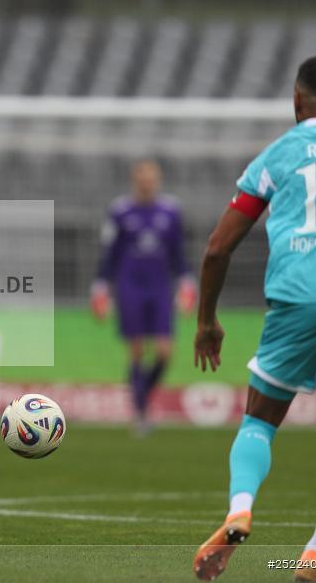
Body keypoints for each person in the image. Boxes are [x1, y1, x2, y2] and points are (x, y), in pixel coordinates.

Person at [192, 54, 316, 582]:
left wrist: (207, 320)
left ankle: (239, 510)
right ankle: (315, 553)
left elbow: (217, 248)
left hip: (298, 297)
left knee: (259, 421)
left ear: (298, 101)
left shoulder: (277, 155)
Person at [90, 159, 196, 434]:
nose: (148, 183)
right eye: (143, 179)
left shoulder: (170, 211)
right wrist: (101, 287)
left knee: (164, 351)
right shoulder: (120, 212)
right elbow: (109, 254)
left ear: (158, 181)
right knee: (136, 350)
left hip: (160, 286)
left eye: (152, 178)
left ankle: (141, 396)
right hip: (130, 286)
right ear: (135, 181)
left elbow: (178, 253)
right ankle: (140, 413)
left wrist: (187, 282)